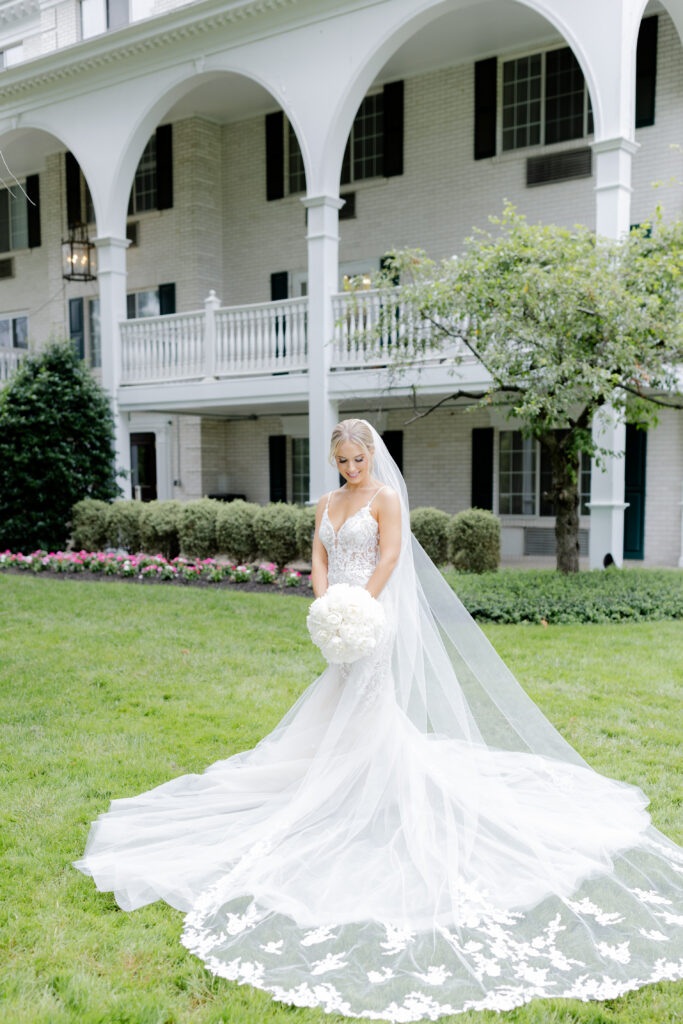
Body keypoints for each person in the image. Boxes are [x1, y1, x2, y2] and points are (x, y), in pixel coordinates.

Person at [74, 419, 683, 1021]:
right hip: (336, 615)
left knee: (366, 699)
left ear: (371, 455)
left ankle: (363, 784)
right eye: (341, 462)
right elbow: (317, 552)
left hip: (372, 611)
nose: (349, 471)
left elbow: (390, 557)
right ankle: (342, 776)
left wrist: (358, 602)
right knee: (337, 702)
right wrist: (323, 602)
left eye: (356, 461)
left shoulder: (386, 499)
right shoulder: (329, 501)